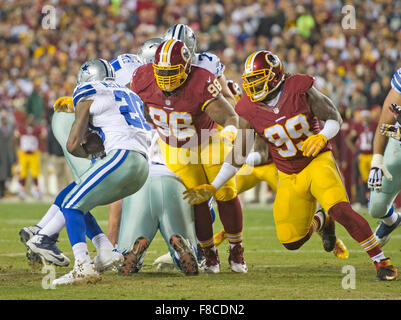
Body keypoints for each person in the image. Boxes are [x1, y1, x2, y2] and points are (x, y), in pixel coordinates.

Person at [184, 50, 397, 281]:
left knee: (340, 209)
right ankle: (321, 220)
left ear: (274, 75)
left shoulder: (299, 87)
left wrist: (323, 137)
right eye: (250, 81)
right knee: (291, 241)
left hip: (317, 161)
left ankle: (381, 261)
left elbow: (334, 117)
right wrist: (213, 186)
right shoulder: (247, 108)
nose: (253, 86)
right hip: (287, 173)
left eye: (258, 79)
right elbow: (239, 154)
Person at [29, 59, 151, 285]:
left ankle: (82, 266)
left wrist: (88, 154)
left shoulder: (87, 90)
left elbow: (72, 144)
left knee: (70, 205)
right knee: (78, 197)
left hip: (121, 157)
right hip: (143, 167)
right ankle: (105, 249)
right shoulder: (129, 94)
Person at [131, 39, 247, 274]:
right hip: (174, 147)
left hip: (207, 140)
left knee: (225, 193)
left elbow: (230, 117)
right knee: (198, 199)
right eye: (160, 71)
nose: (165, 78)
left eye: (171, 72)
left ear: (185, 68)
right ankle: (208, 253)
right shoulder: (141, 78)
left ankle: (236, 249)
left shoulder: (201, 80)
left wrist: (233, 135)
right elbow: (135, 108)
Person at [20, 97, 123, 271]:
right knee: (84, 192)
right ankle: (44, 236)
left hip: (69, 120)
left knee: (82, 190)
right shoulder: (105, 92)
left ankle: (41, 230)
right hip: (76, 124)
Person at [367, 67, 401, 247]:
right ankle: (391, 220)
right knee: (376, 208)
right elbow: (384, 126)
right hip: (399, 150)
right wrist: (377, 160)